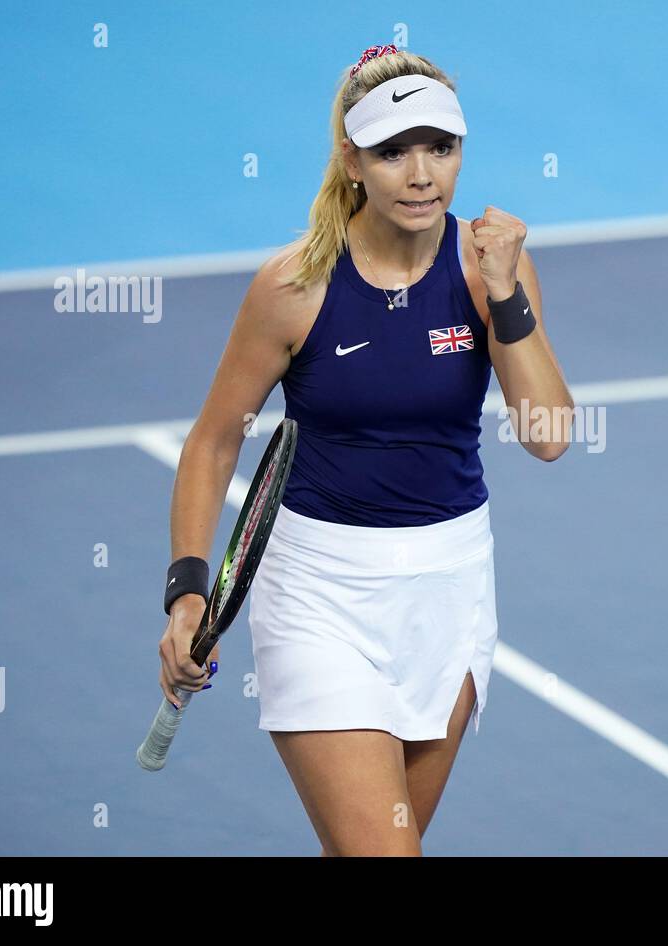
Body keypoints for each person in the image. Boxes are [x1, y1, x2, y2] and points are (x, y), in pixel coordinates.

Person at [155, 44, 573, 855]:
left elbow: (550, 438)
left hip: (449, 597)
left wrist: (504, 294)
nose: (421, 175)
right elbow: (212, 443)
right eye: (392, 151)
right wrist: (186, 593)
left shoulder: (492, 270)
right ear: (351, 161)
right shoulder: (293, 287)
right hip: (319, 598)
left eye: (440, 148)